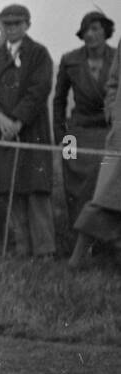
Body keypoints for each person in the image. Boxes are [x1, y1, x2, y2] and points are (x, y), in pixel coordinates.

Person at [0, 4, 54, 257]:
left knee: (35, 190)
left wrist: (18, 121)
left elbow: (39, 89)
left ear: (27, 25)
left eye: (17, 24)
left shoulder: (39, 54)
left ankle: (44, 250)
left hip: (30, 130)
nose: (12, 29)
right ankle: (19, 247)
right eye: (7, 24)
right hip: (1, 131)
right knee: (9, 190)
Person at [54, 10, 116, 230]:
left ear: (106, 31)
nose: (90, 35)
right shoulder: (70, 60)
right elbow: (58, 100)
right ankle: (78, 239)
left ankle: (103, 238)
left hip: (107, 132)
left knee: (106, 185)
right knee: (73, 186)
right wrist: (61, 136)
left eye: (95, 29)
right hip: (75, 132)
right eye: (85, 30)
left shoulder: (117, 58)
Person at [68, 53, 121, 268]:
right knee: (104, 196)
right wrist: (113, 113)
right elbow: (113, 84)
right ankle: (77, 259)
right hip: (119, 139)